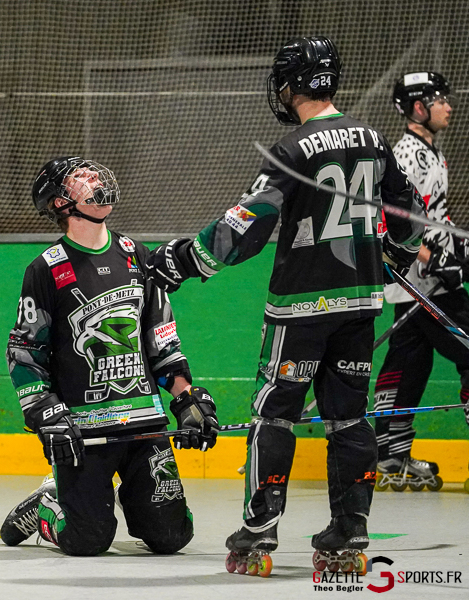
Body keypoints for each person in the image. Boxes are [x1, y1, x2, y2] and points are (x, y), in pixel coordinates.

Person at [145, 37, 425, 575]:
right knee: (348, 417)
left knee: (274, 414)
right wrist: (397, 251)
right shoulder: (374, 138)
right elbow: (409, 217)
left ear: (291, 84)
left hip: (300, 308)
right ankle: (350, 529)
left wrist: (182, 261)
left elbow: (245, 226)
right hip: (361, 304)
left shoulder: (293, 150)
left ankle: (258, 530)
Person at [0, 157, 220, 556]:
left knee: (172, 537)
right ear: (60, 203)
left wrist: (186, 397)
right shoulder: (46, 269)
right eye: (81, 179)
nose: (95, 179)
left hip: (143, 423)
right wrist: (46, 413)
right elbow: (24, 351)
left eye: (94, 173)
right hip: (84, 432)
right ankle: (50, 505)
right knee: (86, 542)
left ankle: (124, 495)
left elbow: (161, 338)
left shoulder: (137, 255)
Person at [373, 72, 468, 492]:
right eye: (439, 99)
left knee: (409, 365)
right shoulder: (407, 155)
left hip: (426, 284)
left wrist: (457, 248)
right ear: (417, 108)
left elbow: (432, 215)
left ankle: (389, 454)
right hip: (422, 284)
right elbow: (390, 215)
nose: (448, 106)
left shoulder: (433, 154)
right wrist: (432, 259)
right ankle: (387, 452)